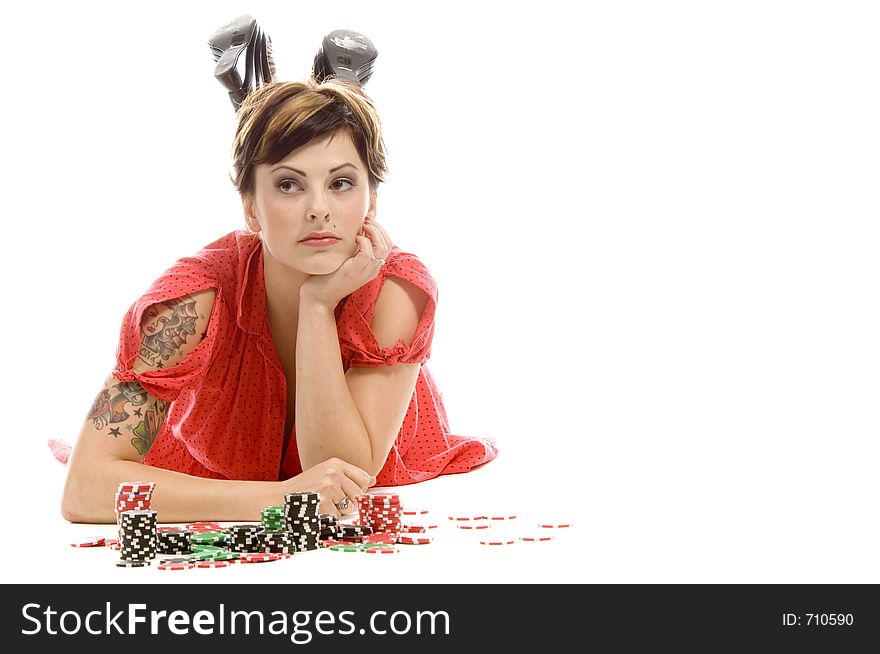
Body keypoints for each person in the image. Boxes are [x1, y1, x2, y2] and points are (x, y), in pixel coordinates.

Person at [59, 27, 497, 525]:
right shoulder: (193, 299)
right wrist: (275, 498)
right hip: (212, 470)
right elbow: (85, 488)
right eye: (288, 184)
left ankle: (296, 98)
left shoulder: (397, 290)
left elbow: (343, 481)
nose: (319, 210)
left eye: (342, 183)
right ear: (250, 209)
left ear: (371, 201)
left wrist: (317, 307)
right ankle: (273, 100)